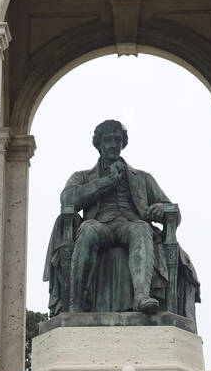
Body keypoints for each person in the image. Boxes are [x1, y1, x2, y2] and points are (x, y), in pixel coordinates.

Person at [43, 118, 199, 319]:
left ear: (123, 143)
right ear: (98, 144)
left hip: (130, 224)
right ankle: (77, 303)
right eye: (108, 139)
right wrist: (106, 182)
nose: (114, 144)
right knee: (88, 229)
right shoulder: (82, 176)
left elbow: (173, 212)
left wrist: (161, 208)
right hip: (100, 225)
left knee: (142, 228)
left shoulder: (142, 177)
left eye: (118, 139)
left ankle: (141, 295)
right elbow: (67, 199)